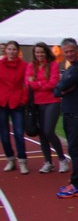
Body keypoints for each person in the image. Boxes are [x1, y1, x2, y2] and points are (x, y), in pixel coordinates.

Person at [54, 38, 78, 198]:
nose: (69, 54)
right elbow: (58, 90)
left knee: (76, 148)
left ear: (77, 50)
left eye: (71, 51)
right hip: (70, 111)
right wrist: (62, 88)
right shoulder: (70, 68)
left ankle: (77, 184)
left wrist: (62, 88)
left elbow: (62, 86)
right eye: (66, 52)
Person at [26, 41, 68, 174]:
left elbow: (53, 83)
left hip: (52, 102)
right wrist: (43, 83)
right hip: (36, 103)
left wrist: (37, 84)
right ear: (34, 53)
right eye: (37, 52)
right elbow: (28, 84)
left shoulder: (53, 64)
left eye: (42, 52)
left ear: (46, 53)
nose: (39, 55)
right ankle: (48, 162)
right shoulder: (31, 66)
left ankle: (62, 159)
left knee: (49, 131)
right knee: (42, 134)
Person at [0, 40, 29, 174]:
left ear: (18, 51)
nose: (11, 52)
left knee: (18, 133)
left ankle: (22, 160)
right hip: (2, 102)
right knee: (4, 134)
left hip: (17, 102)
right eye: (9, 49)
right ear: (5, 50)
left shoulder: (24, 66)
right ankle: (10, 159)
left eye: (14, 49)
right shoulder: (0, 64)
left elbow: (26, 84)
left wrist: (23, 99)